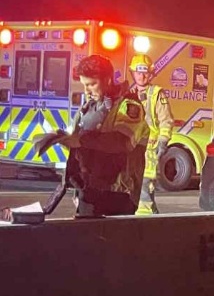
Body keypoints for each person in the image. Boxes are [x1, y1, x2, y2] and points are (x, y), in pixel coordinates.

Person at [49, 54, 148, 218]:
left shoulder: (129, 105)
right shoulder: (90, 106)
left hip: (117, 193)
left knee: (109, 242)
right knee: (85, 241)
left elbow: (122, 142)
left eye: (92, 84)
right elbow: (82, 146)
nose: (87, 90)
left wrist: (80, 140)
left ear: (108, 79)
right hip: (89, 190)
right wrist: (63, 139)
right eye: (84, 85)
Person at [128, 53, 174, 214]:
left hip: (149, 150)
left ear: (150, 73)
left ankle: (144, 222)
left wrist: (162, 142)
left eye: (145, 72)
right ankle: (152, 218)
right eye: (138, 72)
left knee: (145, 186)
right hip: (130, 149)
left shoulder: (156, 94)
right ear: (133, 72)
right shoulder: (128, 94)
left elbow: (166, 121)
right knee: (131, 185)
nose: (141, 76)